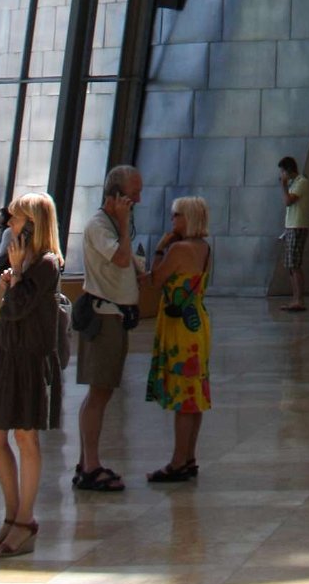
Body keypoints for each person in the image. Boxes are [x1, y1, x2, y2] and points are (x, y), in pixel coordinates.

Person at [0, 189, 65, 559]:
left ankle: (24, 520)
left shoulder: (46, 263)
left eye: (16, 218)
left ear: (32, 224)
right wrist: (13, 276)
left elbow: (16, 309)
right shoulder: (28, 262)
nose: (10, 224)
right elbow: (12, 308)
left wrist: (15, 277)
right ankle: (13, 514)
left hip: (31, 360)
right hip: (11, 358)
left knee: (25, 437)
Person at [74, 162, 142, 493]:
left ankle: (88, 460)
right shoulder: (100, 226)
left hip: (115, 318)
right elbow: (120, 259)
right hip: (103, 318)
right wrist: (125, 223)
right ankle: (90, 465)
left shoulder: (113, 226)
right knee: (98, 393)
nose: (136, 202)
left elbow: (131, 264)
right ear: (115, 196)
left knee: (101, 392)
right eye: (132, 196)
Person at [145, 194, 212, 485]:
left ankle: (177, 461)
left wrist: (160, 247)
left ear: (188, 218)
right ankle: (189, 457)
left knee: (183, 398)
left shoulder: (179, 249)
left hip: (179, 329)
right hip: (198, 324)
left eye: (176, 215)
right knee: (193, 395)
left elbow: (155, 280)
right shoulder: (204, 248)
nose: (172, 220)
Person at [277, 155, 309, 309]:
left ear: (289, 170)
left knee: (295, 263)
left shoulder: (301, 182)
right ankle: (295, 299)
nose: (281, 175)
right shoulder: (293, 183)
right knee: (290, 264)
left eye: (283, 171)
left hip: (298, 227)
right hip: (291, 226)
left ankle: (299, 300)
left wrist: (283, 186)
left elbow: (288, 201)